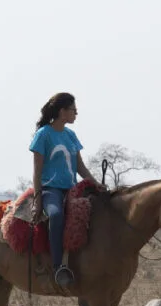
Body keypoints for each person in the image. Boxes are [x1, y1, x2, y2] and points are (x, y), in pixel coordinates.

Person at [29, 92, 105, 287]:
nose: (76, 114)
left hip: (72, 190)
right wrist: (38, 201)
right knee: (55, 215)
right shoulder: (43, 135)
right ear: (62, 111)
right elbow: (37, 173)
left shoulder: (71, 135)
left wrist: (96, 183)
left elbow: (80, 166)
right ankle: (57, 267)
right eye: (73, 110)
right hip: (50, 190)